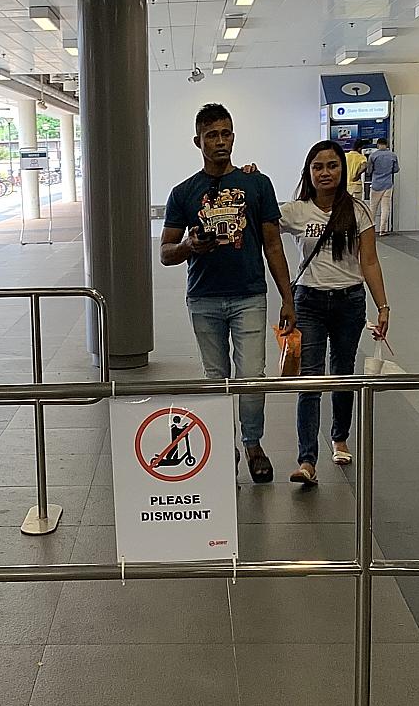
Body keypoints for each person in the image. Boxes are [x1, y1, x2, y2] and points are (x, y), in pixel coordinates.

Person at [161, 103, 295, 483]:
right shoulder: (183, 193)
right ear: (197, 141)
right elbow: (165, 253)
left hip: (250, 294)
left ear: (233, 135)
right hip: (203, 297)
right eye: (211, 136)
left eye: (226, 133)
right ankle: (223, 443)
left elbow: (273, 244)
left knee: (252, 375)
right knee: (215, 377)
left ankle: (253, 444)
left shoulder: (257, 184)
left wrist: (287, 297)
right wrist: (190, 246)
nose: (220, 142)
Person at [280, 140, 391, 484]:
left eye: (332, 166)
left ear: (343, 170)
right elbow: (261, 220)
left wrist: (382, 304)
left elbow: (368, 260)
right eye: (318, 166)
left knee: (343, 373)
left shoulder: (358, 211)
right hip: (309, 302)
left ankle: (340, 436)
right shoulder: (296, 211)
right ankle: (307, 460)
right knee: (310, 379)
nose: (325, 172)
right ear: (308, 172)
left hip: (349, 302)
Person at [366, 137, 398, 234]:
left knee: (373, 207)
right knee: (386, 207)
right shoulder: (393, 155)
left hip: (376, 184)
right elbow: (396, 169)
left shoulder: (373, 156)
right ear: (387, 144)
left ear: (378, 144)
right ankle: (383, 229)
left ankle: (370, 229)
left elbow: (369, 171)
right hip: (388, 184)